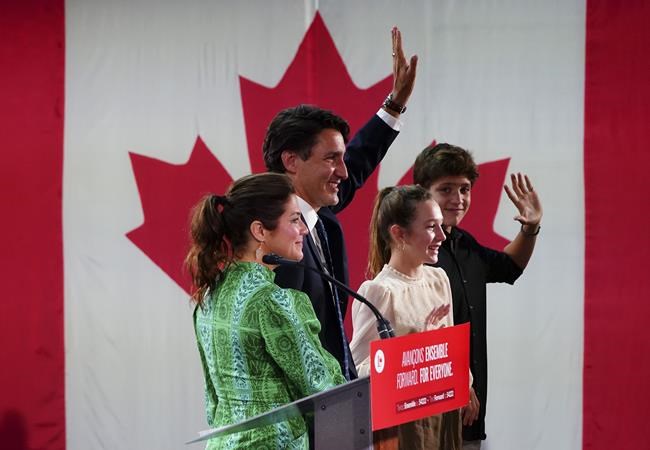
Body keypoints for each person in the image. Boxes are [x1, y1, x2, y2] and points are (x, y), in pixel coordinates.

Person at [264, 27, 417, 380]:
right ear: (291, 161)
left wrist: (394, 103)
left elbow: (361, 160)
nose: (344, 172)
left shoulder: (319, 213)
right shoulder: (269, 240)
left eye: (342, 158)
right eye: (331, 159)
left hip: (335, 397)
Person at [185, 173, 346, 449]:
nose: (304, 230)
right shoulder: (271, 300)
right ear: (260, 231)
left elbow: (213, 400)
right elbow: (322, 388)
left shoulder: (209, 294)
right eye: (295, 220)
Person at [413, 143, 543, 449]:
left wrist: (530, 228)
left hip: (468, 415)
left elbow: (509, 266)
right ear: (421, 192)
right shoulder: (414, 250)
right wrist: (457, 381)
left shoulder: (464, 243)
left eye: (464, 189)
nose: (457, 199)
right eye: (446, 189)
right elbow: (411, 330)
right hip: (427, 412)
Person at [349, 185, 463, 450]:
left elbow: (449, 346)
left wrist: (464, 381)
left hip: (443, 415)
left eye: (441, 225)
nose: (442, 237)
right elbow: (357, 371)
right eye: (431, 227)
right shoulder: (380, 291)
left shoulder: (439, 279)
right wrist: (409, 355)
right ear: (399, 233)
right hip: (403, 428)